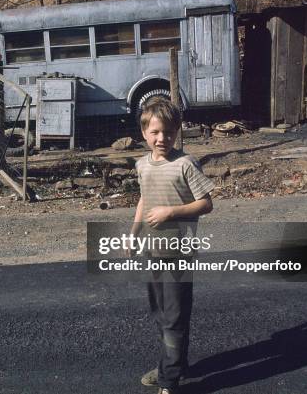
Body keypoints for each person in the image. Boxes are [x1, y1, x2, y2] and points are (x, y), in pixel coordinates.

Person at [131, 97, 215, 394]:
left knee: (176, 313)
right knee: (161, 311)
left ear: (177, 131)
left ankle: (168, 380)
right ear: (144, 133)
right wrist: (134, 232)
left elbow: (206, 204)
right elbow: (144, 199)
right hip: (152, 250)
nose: (161, 138)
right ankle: (176, 362)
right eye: (154, 132)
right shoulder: (142, 165)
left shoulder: (185, 164)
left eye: (168, 132)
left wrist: (171, 212)